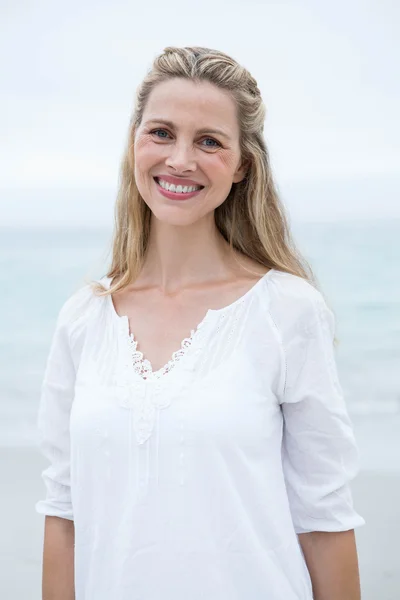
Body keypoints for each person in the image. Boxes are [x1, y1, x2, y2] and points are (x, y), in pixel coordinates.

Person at [35, 46, 365, 600]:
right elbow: (63, 513)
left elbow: (324, 520)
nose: (180, 159)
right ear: (135, 142)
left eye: (209, 141)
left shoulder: (287, 311)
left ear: (241, 166)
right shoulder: (83, 319)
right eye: (161, 133)